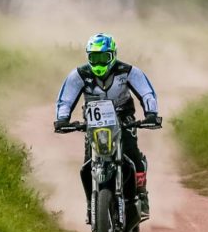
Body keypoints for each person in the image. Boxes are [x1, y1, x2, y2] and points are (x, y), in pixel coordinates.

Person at [54, 33, 161, 222]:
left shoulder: (128, 71)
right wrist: (62, 119)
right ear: (88, 57)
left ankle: (142, 196)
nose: (99, 63)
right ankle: (91, 206)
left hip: (123, 118)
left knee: (132, 154)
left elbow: (146, 92)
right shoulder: (80, 74)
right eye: (94, 58)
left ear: (113, 55)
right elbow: (66, 99)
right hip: (94, 123)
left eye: (104, 58)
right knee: (88, 164)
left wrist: (151, 114)